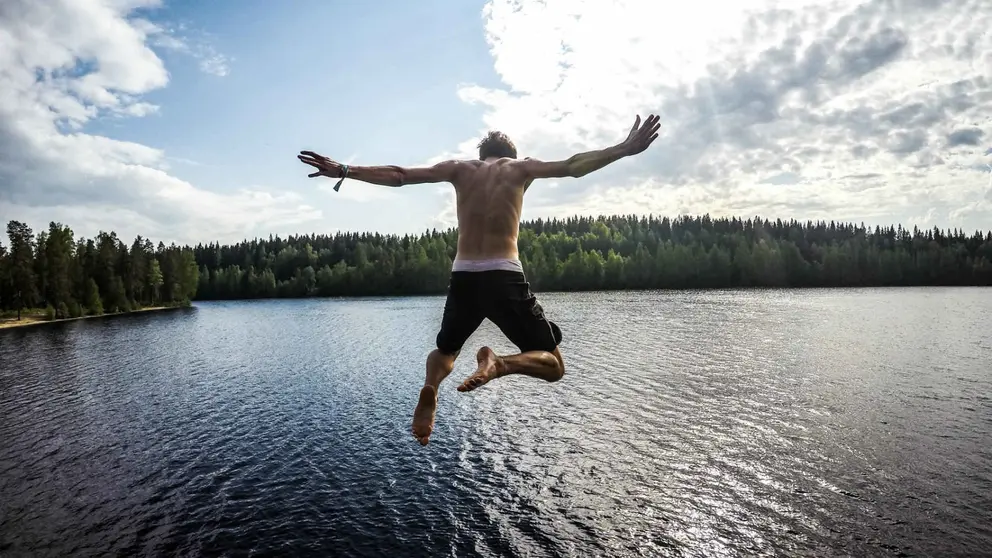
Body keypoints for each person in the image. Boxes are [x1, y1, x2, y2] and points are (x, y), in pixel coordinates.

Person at [298, 114, 661, 445]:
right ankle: (500, 363)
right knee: (554, 364)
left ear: (482, 153)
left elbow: (401, 176)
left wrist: (345, 169)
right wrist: (625, 149)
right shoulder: (521, 168)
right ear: (510, 154)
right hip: (504, 275)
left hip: (464, 277)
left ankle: (430, 387)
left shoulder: (459, 169)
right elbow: (573, 166)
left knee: (445, 350)